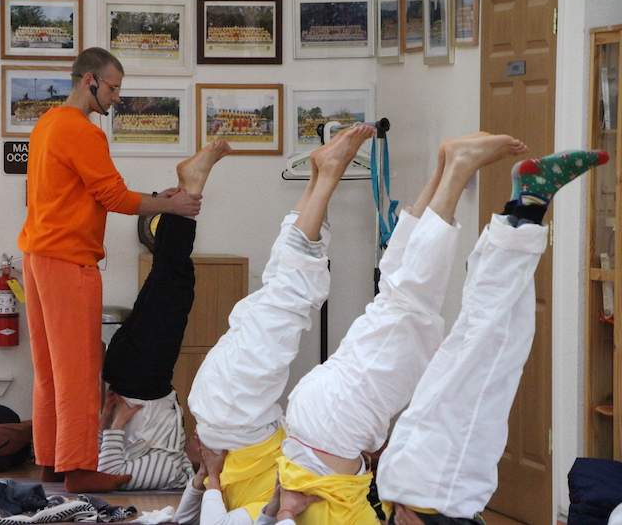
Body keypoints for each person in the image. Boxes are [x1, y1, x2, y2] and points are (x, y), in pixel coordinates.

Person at [222, 142, 609, 525]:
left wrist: (283, 508)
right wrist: (281, 504)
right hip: (320, 427)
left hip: (347, 437)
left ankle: (470, 176)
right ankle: (459, 174)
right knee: (405, 299)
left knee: (433, 316)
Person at [18, 46, 202, 493]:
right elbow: (115, 197)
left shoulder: (45, 125)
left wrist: (159, 200)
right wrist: (172, 203)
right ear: (88, 82)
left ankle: (52, 461)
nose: (117, 97)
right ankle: (80, 469)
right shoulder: (83, 132)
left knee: (48, 369)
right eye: (113, 88)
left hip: (36, 255)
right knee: (79, 370)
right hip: (68, 260)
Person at [174, 124, 378, 524]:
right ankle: (321, 173)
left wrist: (212, 480)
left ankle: (327, 175)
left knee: (290, 296)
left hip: (236, 416)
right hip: (235, 414)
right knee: (284, 290)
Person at [96, 139, 232, 490]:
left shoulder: (172, 472)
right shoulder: (176, 455)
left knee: (172, 281)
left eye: (210, 450)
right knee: (171, 279)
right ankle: (183, 196)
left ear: (204, 467)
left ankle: (190, 185)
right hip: (145, 376)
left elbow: (110, 475)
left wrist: (115, 425)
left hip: (137, 380)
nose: (205, 442)